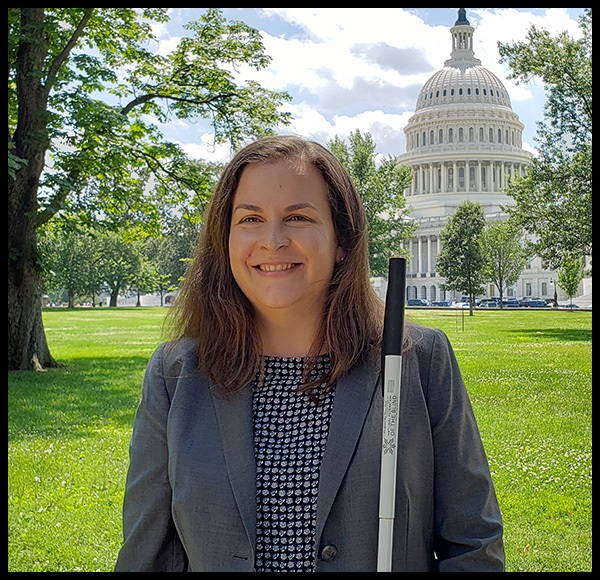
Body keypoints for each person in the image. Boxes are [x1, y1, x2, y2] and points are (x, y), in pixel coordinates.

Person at [114, 134, 505, 572]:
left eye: (298, 217)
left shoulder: (419, 360)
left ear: (341, 239)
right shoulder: (175, 375)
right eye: (250, 219)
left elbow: (474, 546)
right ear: (225, 239)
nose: (273, 240)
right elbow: (149, 556)